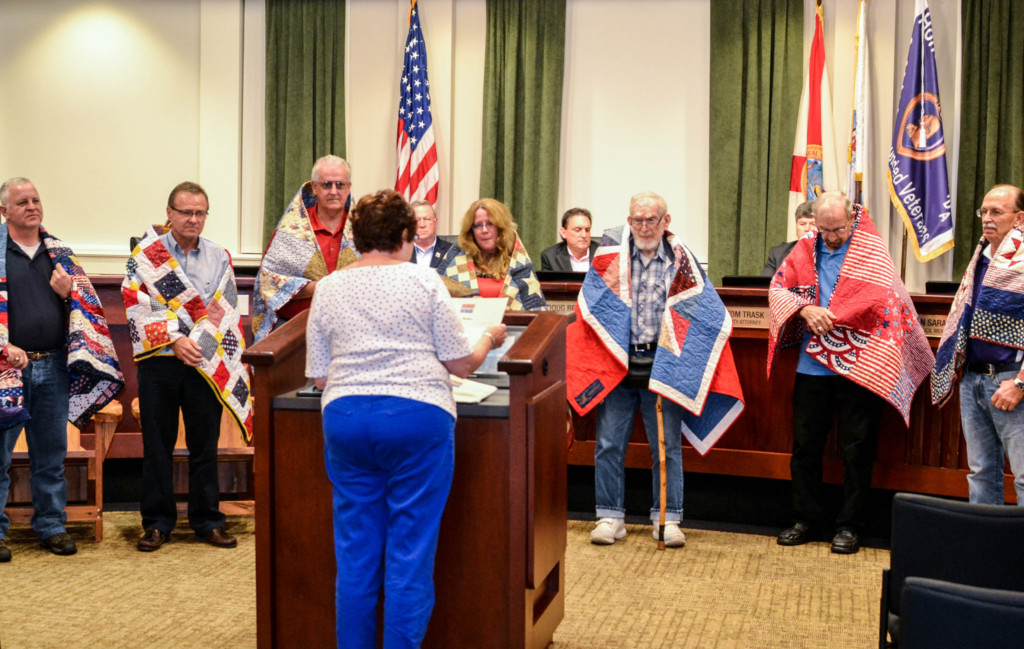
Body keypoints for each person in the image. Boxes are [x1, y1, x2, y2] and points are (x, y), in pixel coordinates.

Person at [306, 189, 507, 648]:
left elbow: (318, 376)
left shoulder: (331, 286)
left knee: (355, 557)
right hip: (417, 419)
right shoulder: (424, 281)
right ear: (403, 234)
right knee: (409, 554)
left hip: (346, 419)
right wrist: (489, 339)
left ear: (357, 237)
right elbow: (459, 363)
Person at [566, 191, 745, 548]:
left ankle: (668, 518)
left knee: (666, 448)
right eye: (637, 220)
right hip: (617, 365)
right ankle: (609, 516)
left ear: (666, 221)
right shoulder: (611, 257)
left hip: (664, 367)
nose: (643, 227)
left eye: (651, 220)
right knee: (607, 444)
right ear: (628, 220)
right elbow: (592, 308)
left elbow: (705, 313)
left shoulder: (683, 261)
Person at [768, 191, 932, 554]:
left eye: (837, 229)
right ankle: (805, 519)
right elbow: (778, 288)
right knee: (805, 448)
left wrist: (838, 316)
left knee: (857, 450)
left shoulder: (871, 250)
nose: (830, 237)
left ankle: (849, 526)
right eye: (824, 230)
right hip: (812, 367)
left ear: (852, 218)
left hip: (861, 367)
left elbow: (883, 301)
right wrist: (804, 310)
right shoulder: (807, 247)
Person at [123, 181, 253, 552]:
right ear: (169, 213)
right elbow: (136, 302)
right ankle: (157, 524)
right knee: (158, 447)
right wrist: (175, 340)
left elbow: (226, 312)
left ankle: (207, 520)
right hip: (161, 363)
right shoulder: (146, 254)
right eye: (186, 212)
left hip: (204, 364)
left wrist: (198, 346)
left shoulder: (220, 256)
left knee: (203, 445)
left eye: (200, 213)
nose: (193, 219)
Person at [0, 177, 124, 563]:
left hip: (53, 366)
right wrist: (5, 347)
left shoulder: (62, 256)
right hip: (6, 369)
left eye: (36, 199)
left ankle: (52, 527)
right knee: (0, 458)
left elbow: (86, 309)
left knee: (51, 455)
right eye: (22, 202)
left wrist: (69, 293)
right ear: (5, 211)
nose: (32, 206)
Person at [932, 184, 1024, 505]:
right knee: (981, 471)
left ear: (1020, 217)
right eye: (983, 211)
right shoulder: (980, 256)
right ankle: (987, 551)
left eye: (997, 212)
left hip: (1011, 381)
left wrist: (1021, 383)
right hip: (972, 379)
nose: (987, 218)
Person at [253, 155, 359, 341]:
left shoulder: (363, 229)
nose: (334, 191)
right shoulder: (291, 231)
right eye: (326, 184)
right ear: (314, 188)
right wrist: (324, 286)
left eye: (340, 185)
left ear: (349, 187)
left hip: (352, 329)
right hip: (295, 333)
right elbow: (269, 282)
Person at [439, 198, 547, 310]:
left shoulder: (517, 262)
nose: (484, 230)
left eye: (490, 224)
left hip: (511, 326)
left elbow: (536, 310)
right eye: (478, 225)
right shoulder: (455, 258)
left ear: (501, 228)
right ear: (471, 231)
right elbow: (437, 300)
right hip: (466, 325)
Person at [760, 200, 816, 277]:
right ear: (796, 226)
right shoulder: (778, 254)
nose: (807, 229)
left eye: (813, 224)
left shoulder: (830, 253)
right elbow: (765, 285)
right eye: (802, 224)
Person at [540, 207, 599, 272]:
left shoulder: (605, 253)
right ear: (563, 232)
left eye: (587, 230)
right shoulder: (550, 257)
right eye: (577, 230)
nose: (584, 235)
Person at [408, 199, 455, 269]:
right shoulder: (399, 253)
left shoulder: (452, 252)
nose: (422, 225)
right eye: (417, 220)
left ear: (435, 223)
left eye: (427, 219)